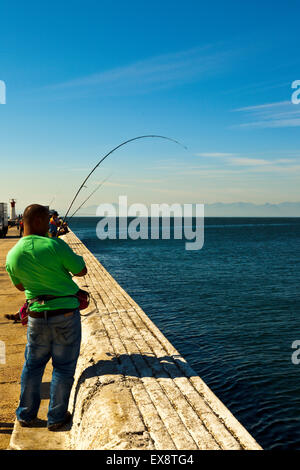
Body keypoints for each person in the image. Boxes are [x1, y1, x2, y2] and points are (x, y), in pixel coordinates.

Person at [6, 204, 87, 431]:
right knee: (63, 367)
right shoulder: (55, 245)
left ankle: (26, 415)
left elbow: (20, 286)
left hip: (35, 317)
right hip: (65, 316)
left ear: (23, 222)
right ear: (42, 221)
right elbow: (81, 270)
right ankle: (56, 418)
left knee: (32, 366)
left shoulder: (12, 254)